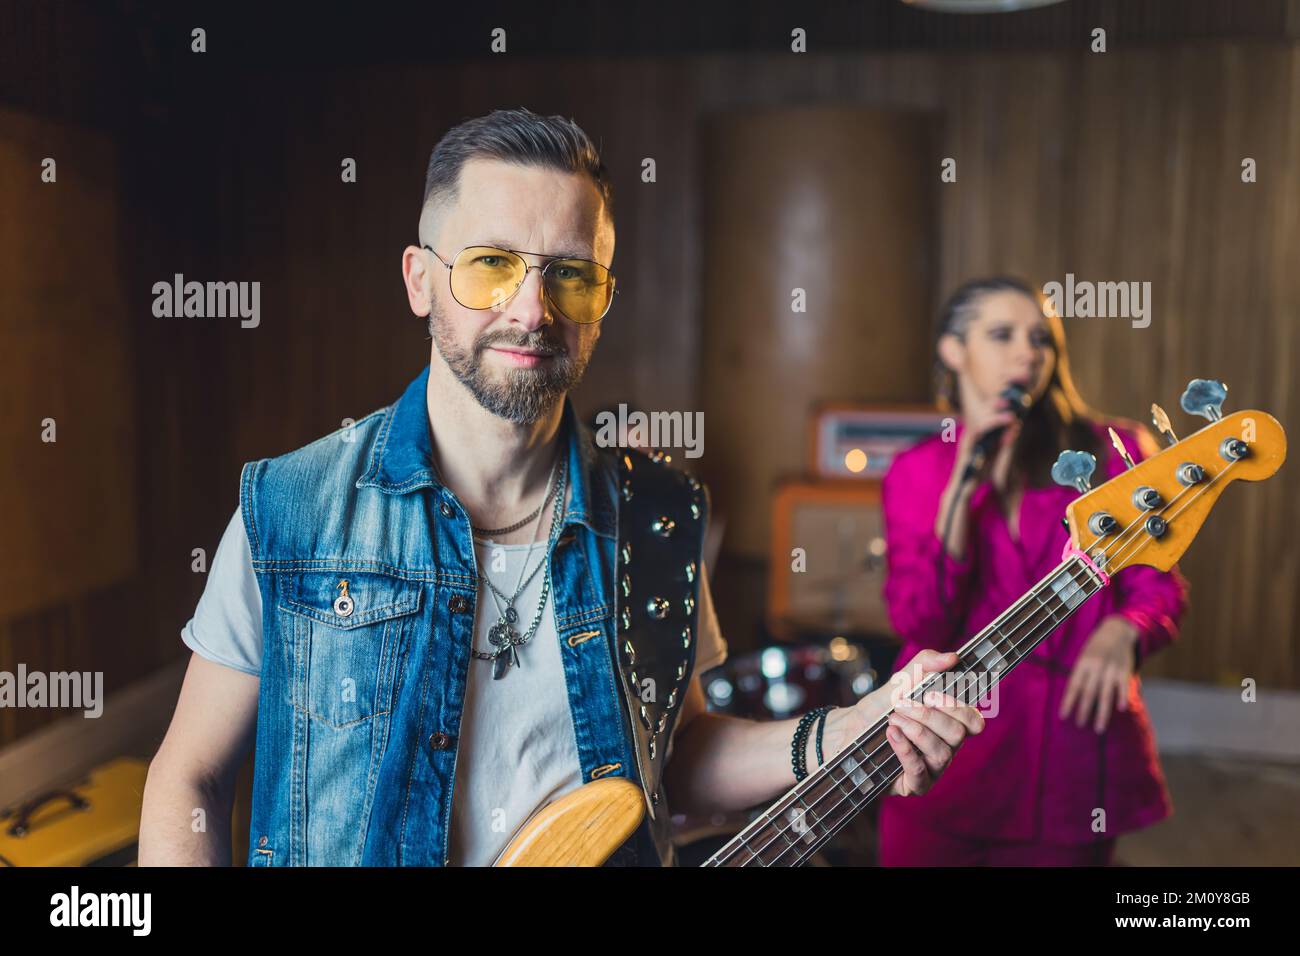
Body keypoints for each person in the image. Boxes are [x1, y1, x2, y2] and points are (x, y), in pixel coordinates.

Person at [139, 108, 982, 867]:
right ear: (419, 279)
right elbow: (191, 778)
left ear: (602, 300)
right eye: (492, 264)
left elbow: (676, 759)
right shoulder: (294, 510)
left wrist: (851, 726)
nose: (533, 309)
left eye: (570, 274)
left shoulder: (660, 518)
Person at [877, 276, 1189, 867]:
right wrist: (962, 486)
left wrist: (1126, 628)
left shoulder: (1114, 450)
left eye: (1041, 339)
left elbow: (1159, 585)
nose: (1028, 352)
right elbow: (921, 619)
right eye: (1003, 335)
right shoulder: (917, 472)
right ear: (953, 350)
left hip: (1070, 752)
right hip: (947, 746)